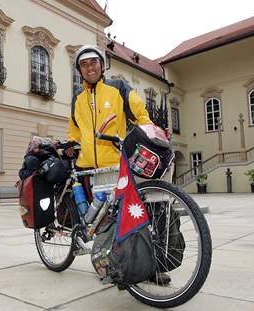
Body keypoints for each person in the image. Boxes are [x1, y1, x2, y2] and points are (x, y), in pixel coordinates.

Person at [67, 45, 171, 285]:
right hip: (90, 169)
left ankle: (150, 268)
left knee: (136, 217)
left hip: (118, 164)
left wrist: (148, 133)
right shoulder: (77, 99)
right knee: (101, 220)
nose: (89, 67)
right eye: (84, 64)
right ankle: (109, 262)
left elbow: (140, 113)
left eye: (94, 62)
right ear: (79, 71)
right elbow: (74, 128)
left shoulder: (118, 88)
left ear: (102, 66)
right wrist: (72, 143)